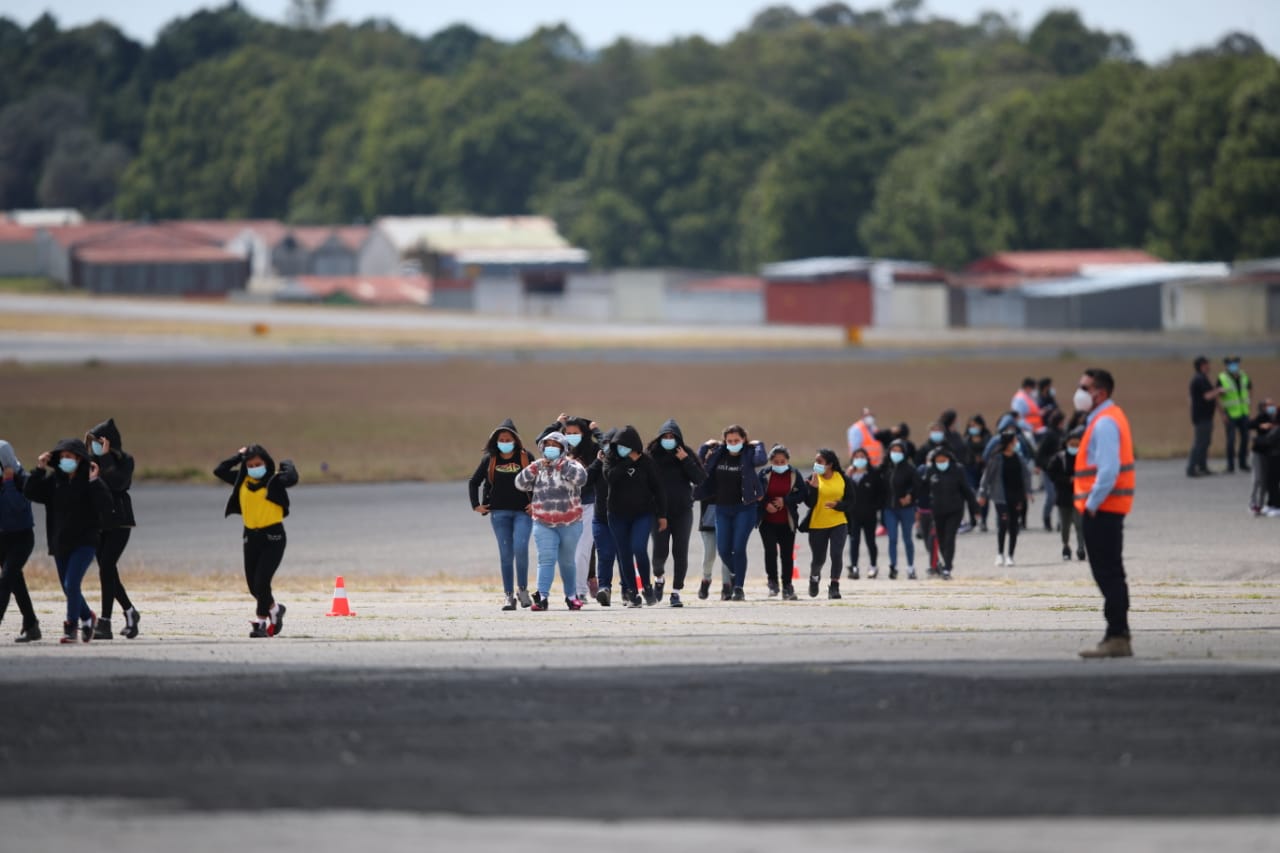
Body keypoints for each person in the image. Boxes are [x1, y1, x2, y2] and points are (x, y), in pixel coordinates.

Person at [1072, 368, 1137, 658]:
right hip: (1107, 508)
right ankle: (1117, 634)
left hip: (1103, 510)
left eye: (1084, 387)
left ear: (1100, 392)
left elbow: (1108, 471)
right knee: (1111, 573)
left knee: (1108, 574)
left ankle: (1117, 636)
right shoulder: (1106, 418)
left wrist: (1091, 505)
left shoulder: (1105, 423)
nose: (1079, 392)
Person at [23, 439, 114, 643]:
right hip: (60, 543)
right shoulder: (54, 482)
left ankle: (71, 628)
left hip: (85, 542)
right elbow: (29, 492)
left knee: (71, 583)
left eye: (69, 457)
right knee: (68, 588)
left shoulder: (89, 481)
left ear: (79, 458)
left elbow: (106, 506)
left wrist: (94, 482)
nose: (65, 460)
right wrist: (39, 469)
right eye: (62, 457)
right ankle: (87, 616)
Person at [214, 444, 298, 637]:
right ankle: (275, 609)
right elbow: (219, 471)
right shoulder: (241, 480)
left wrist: (286, 464)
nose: (254, 468)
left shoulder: (274, 480)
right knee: (254, 586)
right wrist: (238, 456)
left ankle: (260, 624)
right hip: (250, 536)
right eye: (250, 465)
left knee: (262, 580)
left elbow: (292, 478)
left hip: (273, 537)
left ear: (266, 463)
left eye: (258, 464)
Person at [515, 431, 588, 611]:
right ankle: (542, 597)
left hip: (570, 522)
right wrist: (535, 467)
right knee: (546, 559)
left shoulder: (572, 465)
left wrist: (560, 465)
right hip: (543, 522)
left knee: (567, 561)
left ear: (563, 448)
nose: (551, 448)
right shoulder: (538, 467)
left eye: (555, 446)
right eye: (548, 445)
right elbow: (519, 483)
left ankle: (571, 596)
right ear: (542, 448)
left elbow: (582, 479)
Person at [468, 418, 534, 611]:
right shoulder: (490, 459)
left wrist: (535, 503)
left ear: (515, 439)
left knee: (521, 549)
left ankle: (523, 590)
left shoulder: (525, 457)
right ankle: (508, 596)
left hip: (523, 512)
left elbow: (539, 480)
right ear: (495, 441)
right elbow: (474, 481)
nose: (505, 442)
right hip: (499, 513)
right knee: (506, 554)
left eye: (508, 439)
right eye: (501, 439)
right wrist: (476, 505)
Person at [84, 418, 140, 640]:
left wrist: (105, 458)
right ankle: (130, 612)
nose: (96, 446)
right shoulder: (89, 462)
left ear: (110, 442)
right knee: (108, 571)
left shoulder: (125, 461)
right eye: (94, 443)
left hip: (119, 521)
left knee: (106, 565)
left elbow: (118, 483)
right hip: (98, 523)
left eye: (99, 442)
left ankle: (105, 622)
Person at [697, 426, 765, 601]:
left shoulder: (749, 454)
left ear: (743, 440)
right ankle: (737, 573)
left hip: (745, 507)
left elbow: (761, 459)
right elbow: (699, 462)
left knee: (738, 547)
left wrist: (759, 445)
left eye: (737, 440)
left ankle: (738, 587)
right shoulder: (719, 453)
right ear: (725, 441)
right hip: (722, 508)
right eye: (730, 441)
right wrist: (705, 446)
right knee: (723, 549)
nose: (733, 444)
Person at [539, 415, 602, 601]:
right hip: (566, 505)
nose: (571, 436)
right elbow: (539, 440)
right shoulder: (559, 449)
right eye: (568, 433)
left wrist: (596, 431)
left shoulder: (594, 450)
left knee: (583, 548)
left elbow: (608, 446)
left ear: (585, 434)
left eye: (576, 433)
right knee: (570, 550)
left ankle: (579, 591)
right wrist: (556, 424)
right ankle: (577, 587)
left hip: (589, 503)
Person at [604, 425, 668, 608]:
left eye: (625, 446)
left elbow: (659, 489)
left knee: (639, 548)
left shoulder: (646, 462)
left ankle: (647, 587)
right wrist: (627, 462)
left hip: (642, 514)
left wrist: (662, 515)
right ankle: (632, 592)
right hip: (617, 515)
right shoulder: (611, 460)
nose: (621, 448)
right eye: (618, 445)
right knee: (624, 553)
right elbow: (610, 478)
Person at [647, 419, 707, 606]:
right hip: (659, 513)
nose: (669, 439)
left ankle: (676, 591)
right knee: (659, 552)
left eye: (672, 436)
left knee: (680, 551)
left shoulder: (685, 454)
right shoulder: (651, 456)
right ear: (659, 438)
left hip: (682, 511)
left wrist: (685, 460)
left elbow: (699, 479)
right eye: (665, 436)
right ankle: (659, 578)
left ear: (678, 438)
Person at [0, 440, 40, 642]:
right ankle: (32, 624)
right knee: (16, 582)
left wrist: (8, 483)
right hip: (2, 539)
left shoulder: (22, 480)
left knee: (6, 580)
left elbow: (16, 507)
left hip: (21, 538)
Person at [919, 447, 978, 581]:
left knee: (950, 537)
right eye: (938, 460)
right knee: (941, 539)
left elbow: (966, 490)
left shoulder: (957, 470)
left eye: (943, 460)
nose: (941, 462)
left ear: (948, 459)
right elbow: (922, 489)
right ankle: (946, 562)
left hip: (955, 510)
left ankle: (947, 568)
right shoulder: (931, 471)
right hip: (937, 510)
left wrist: (975, 509)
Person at [757, 444, 807, 600]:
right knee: (770, 552)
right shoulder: (764, 474)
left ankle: (787, 586)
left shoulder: (794, 474)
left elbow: (803, 493)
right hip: (767, 521)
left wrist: (785, 501)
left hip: (787, 521)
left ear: (787, 461)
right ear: (771, 461)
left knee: (787, 555)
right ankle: (772, 582)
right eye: (776, 462)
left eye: (782, 461)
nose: (779, 465)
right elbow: (756, 493)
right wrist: (766, 505)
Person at [800, 448, 852, 599]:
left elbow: (851, 501)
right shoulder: (813, 478)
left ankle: (834, 587)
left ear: (829, 464)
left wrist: (838, 505)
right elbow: (809, 503)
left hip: (838, 522)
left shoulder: (842, 478)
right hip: (818, 524)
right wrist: (813, 489)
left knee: (836, 554)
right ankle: (814, 578)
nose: (816, 464)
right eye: (815, 461)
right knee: (819, 559)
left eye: (820, 462)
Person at [978, 430, 1032, 567]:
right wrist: (982, 493)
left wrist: (1028, 492)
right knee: (1003, 523)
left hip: (1016, 495)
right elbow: (987, 477)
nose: (1016, 443)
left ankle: (1010, 555)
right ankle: (1000, 554)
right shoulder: (996, 458)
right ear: (1008, 442)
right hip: (1001, 496)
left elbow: (1026, 475)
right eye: (1014, 440)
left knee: (1014, 525)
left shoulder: (1018, 457)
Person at [586, 429, 623, 606]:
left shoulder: (626, 463)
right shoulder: (599, 461)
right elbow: (584, 482)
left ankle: (628, 590)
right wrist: (596, 462)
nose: (607, 447)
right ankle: (604, 589)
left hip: (624, 518)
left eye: (611, 444)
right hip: (601, 517)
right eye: (605, 444)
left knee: (624, 555)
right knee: (605, 555)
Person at [694, 439, 733, 600]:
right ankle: (706, 580)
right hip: (708, 521)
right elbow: (696, 463)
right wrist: (704, 447)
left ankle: (727, 586)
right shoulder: (704, 474)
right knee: (709, 555)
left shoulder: (729, 471)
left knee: (726, 554)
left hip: (727, 517)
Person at [1046, 427, 1086, 561]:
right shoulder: (1059, 458)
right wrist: (1067, 480)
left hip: (1079, 497)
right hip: (1063, 497)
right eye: (1072, 444)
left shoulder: (1084, 457)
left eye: (1077, 444)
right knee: (1065, 525)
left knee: (1080, 524)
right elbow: (1051, 474)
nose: (1074, 447)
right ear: (1066, 443)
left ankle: (1081, 548)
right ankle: (1066, 546)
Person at [844, 447, 884, 581]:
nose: (859, 459)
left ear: (867, 459)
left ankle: (873, 566)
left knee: (870, 541)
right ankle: (854, 567)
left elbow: (880, 494)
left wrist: (874, 507)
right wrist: (847, 476)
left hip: (869, 515)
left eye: (862, 457)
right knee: (854, 541)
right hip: (853, 514)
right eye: (857, 457)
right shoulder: (849, 475)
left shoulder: (873, 474)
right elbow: (841, 491)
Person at [881, 439, 918, 580]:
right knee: (892, 538)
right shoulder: (886, 468)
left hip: (906, 509)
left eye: (899, 451)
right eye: (893, 450)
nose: (896, 453)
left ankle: (910, 567)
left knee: (908, 538)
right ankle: (893, 566)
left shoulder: (909, 469)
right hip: (890, 508)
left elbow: (916, 485)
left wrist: (910, 495)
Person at [1187, 355, 1222, 477]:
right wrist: (1218, 391)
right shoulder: (1199, 379)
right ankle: (1191, 468)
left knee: (1206, 442)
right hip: (1201, 417)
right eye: (1207, 364)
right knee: (1200, 443)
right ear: (1202, 366)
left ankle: (1202, 466)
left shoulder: (1203, 379)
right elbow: (1206, 396)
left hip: (1206, 416)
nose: (1209, 367)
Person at [1218, 356, 1252, 474]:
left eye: (1235, 364)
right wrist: (1223, 414)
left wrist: (1248, 404)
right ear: (1226, 366)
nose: (1233, 366)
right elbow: (1218, 396)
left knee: (1245, 439)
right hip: (1230, 414)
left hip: (1243, 412)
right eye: (1231, 364)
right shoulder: (1222, 378)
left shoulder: (1244, 376)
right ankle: (1230, 466)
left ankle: (1243, 464)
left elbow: (1249, 389)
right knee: (1231, 440)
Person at [1035, 409, 1066, 533]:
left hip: (1061, 470)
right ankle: (1046, 518)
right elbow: (1040, 453)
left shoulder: (1063, 434)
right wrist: (1042, 465)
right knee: (1051, 496)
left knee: (1060, 496)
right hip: (1049, 470)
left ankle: (1061, 522)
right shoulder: (1049, 435)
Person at [963, 415, 992, 531]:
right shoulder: (966, 440)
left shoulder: (988, 438)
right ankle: (973, 519)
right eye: (970, 426)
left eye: (975, 425)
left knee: (983, 494)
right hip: (970, 469)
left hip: (984, 469)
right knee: (971, 494)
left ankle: (983, 520)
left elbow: (991, 452)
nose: (973, 428)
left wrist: (983, 459)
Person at [1248, 399, 1277, 516]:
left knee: (1265, 481)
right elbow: (1250, 425)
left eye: (1272, 404)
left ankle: (1261, 504)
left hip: (1269, 454)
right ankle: (1253, 503)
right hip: (1258, 453)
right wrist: (1261, 426)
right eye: (1269, 405)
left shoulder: (1274, 419)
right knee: (1258, 479)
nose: (1272, 407)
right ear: (1263, 407)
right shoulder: (1261, 417)